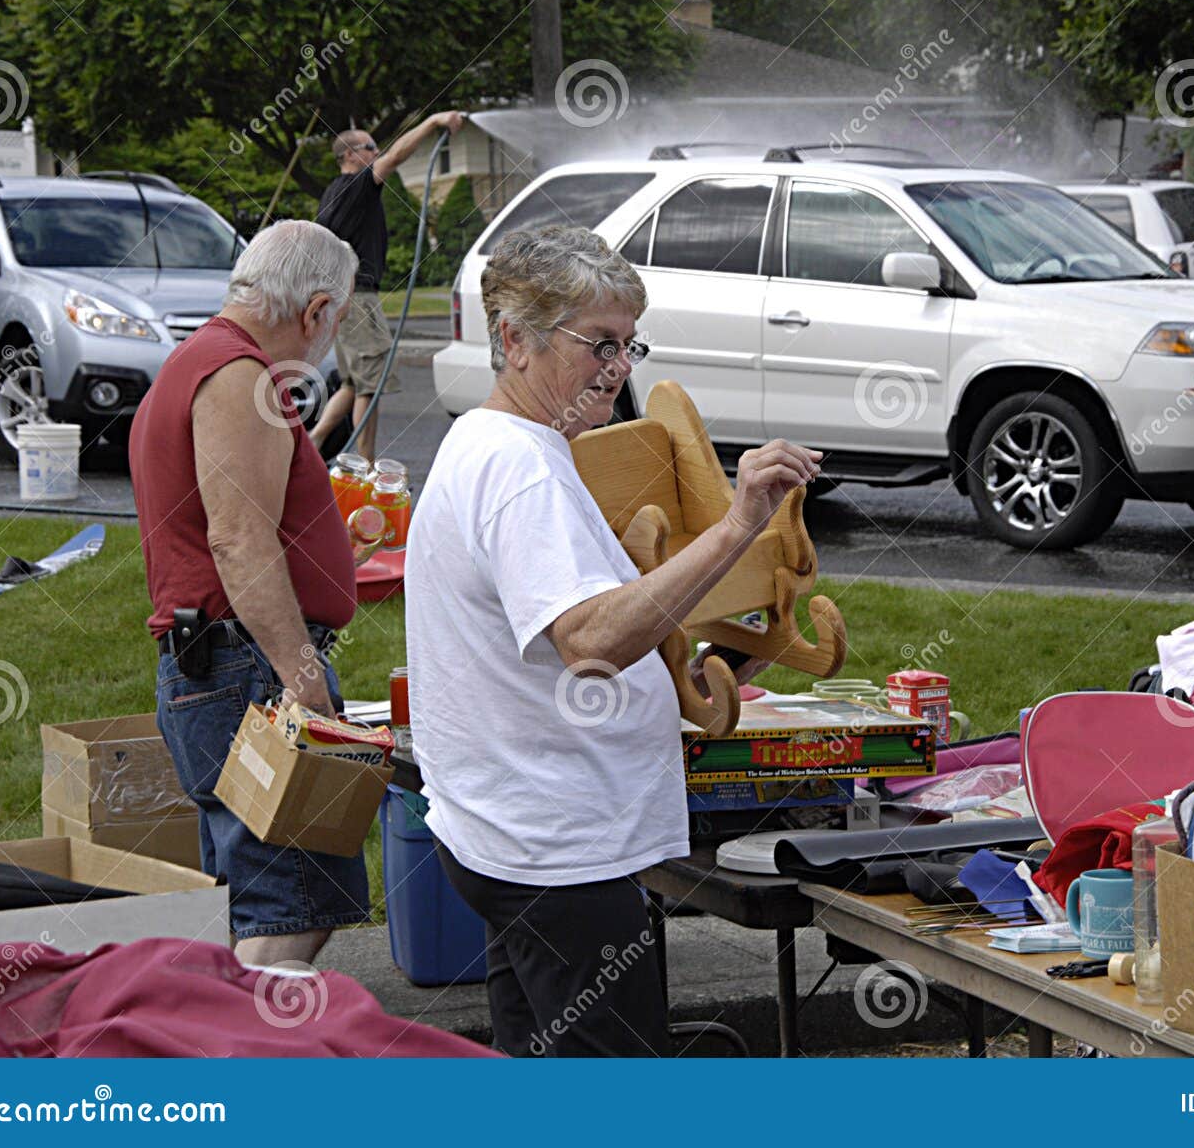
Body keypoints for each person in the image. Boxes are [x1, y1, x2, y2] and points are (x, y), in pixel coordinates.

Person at [404, 225, 821, 1056]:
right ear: (515, 341)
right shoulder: (518, 465)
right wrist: (740, 523)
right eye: (599, 343)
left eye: (629, 344)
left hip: (512, 834)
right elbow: (591, 638)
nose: (619, 366)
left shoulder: (499, 443)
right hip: (553, 849)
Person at [130, 221, 369, 967]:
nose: (333, 338)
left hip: (224, 661)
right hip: (248, 668)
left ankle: (227, 1057)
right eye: (341, 318)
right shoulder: (241, 375)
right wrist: (304, 678)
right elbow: (237, 540)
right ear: (317, 309)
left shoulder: (202, 360)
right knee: (289, 904)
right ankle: (252, 1074)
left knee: (258, 896)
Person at [309, 110, 465, 463]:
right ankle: (364, 466)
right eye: (370, 147)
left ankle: (314, 441)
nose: (377, 152)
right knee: (370, 385)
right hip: (359, 299)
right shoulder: (357, 185)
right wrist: (433, 121)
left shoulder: (332, 192)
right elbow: (396, 156)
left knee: (352, 384)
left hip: (341, 300)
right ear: (350, 155)